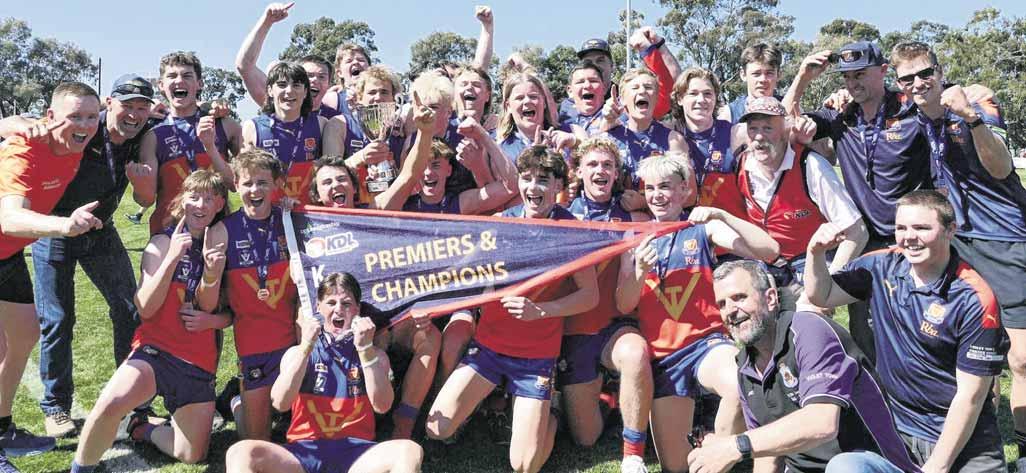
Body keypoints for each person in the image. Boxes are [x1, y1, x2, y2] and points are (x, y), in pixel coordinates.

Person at [890, 40, 1026, 472]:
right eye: (907, 78)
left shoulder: (976, 101)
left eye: (925, 73)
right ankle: (981, 438)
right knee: (969, 346)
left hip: (1004, 239)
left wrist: (970, 117)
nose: (918, 83)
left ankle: (1023, 451)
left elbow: (1002, 168)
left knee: (1021, 357)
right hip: (956, 239)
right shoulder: (911, 111)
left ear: (940, 70)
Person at [806, 190, 1008, 472]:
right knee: (844, 467)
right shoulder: (879, 267)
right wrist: (815, 253)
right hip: (897, 434)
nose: (909, 237)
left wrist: (937, 466)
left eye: (921, 228)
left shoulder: (974, 298)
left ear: (950, 230)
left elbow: (970, 397)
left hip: (965, 440)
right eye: (901, 228)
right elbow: (822, 295)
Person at [0, 75, 157, 437]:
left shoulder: (141, 134)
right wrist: (18, 125)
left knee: (129, 309)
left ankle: (133, 401)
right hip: (52, 229)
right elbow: (20, 127)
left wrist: (142, 181)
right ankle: (55, 406)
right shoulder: (77, 126)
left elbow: (145, 198)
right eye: (126, 105)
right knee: (57, 320)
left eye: (142, 107)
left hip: (99, 229)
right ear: (108, 104)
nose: (133, 114)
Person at [427, 146, 599, 473]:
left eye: (543, 180)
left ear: (558, 185)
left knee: (524, 465)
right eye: (527, 178)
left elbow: (589, 296)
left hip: (536, 356)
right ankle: (496, 404)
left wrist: (541, 310)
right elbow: (465, 272)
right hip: (489, 348)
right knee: (437, 429)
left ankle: (551, 415)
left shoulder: (572, 232)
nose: (533, 187)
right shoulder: (501, 224)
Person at [615, 153, 779, 473]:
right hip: (663, 359)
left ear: (684, 191)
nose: (658, 195)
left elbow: (770, 250)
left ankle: (720, 451)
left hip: (706, 345)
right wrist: (640, 270)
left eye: (666, 187)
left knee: (738, 384)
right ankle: (707, 445)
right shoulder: (634, 237)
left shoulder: (703, 228)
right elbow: (623, 304)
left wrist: (722, 214)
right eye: (651, 188)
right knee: (676, 467)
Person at [687, 260, 920, 473]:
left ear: (771, 298)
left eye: (739, 298)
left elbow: (822, 423)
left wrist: (736, 445)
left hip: (867, 465)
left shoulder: (809, 331)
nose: (730, 310)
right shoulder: (745, 367)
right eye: (722, 304)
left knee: (844, 466)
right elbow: (768, 456)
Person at [71, 170, 232, 472]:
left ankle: (141, 429)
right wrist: (172, 257)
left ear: (220, 204)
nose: (200, 205)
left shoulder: (224, 246)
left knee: (191, 454)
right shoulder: (161, 242)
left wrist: (211, 320)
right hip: (156, 351)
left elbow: (229, 313)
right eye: (194, 196)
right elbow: (144, 307)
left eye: (209, 198)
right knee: (109, 405)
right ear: (183, 200)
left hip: (198, 360)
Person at [783, 41, 927, 362]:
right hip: (866, 245)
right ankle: (877, 391)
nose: (852, 83)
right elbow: (784, 124)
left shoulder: (911, 111)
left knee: (919, 326)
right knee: (865, 331)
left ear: (883, 71)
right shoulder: (840, 114)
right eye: (847, 77)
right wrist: (803, 78)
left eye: (860, 74)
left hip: (911, 240)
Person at [224, 272, 424, 473]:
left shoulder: (375, 355)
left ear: (357, 309)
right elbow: (280, 402)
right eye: (331, 302)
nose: (338, 309)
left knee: (410, 450)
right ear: (318, 306)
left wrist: (365, 350)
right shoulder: (297, 352)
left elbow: (383, 405)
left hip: (356, 453)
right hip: (304, 452)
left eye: (346, 304)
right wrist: (306, 347)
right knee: (239, 452)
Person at [0, 82, 103, 469]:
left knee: (24, 337)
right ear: (50, 117)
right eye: (75, 116)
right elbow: (9, 218)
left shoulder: (79, 138)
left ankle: (2, 429)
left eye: (91, 116)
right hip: (5, 240)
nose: (85, 125)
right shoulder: (24, 149)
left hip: (7, 255)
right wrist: (64, 226)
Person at [561, 137, 651, 473]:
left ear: (616, 174)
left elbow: (672, 208)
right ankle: (610, 396)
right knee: (586, 438)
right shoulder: (561, 214)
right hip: (573, 329)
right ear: (579, 171)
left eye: (608, 165)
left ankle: (633, 454)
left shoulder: (632, 216)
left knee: (636, 353)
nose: (600, 171)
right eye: (593, 164)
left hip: (614, 325)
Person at [734, 96, 868, 309]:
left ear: (785, 132)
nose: (759, 137)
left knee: (804, 320)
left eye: (768, 128)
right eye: (753, 128)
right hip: (764, 269)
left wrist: (824, 286)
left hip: (807, 266)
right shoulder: (740, 165)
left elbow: (857, 231)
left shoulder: (811, 165)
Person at [219, 150, 299, 441]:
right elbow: (213, 301)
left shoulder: (292, 220)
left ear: (277, 184)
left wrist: (296, 210)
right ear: (236, 185)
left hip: (293, 344)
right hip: (253, 346)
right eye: (248, 183)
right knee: (257, 440)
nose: (255, 190)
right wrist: (212, 273)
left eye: (263, 183)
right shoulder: (222, 231)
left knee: (301, 432)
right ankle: (236, 401)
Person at [137, 51, 241, 236]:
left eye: (187, 76)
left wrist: (211, 147)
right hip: (168, 232)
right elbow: (145, 200)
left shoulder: (225, 125)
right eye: (172, 76)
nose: (179, 80)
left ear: (199, 83)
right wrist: (137, 181)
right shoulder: (153, 136)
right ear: (161, 85)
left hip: (217, 232)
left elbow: (236, 185)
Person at [236, 3, 346, 120]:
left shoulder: (336, 119)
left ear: (329, 84)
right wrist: (267, 21)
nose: (314, 80)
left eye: (322, 77)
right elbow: (244, 65)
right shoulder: (280, 103)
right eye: (309, 75)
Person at [242, 62, 327, 205]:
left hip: (311, 211)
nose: (289, 91)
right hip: (271, 211)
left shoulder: (321, 124)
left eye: (296, 85)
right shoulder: (252, 127)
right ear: (270, 90)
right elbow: (246, 178)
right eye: (282, 85)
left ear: (305, 92)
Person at [603, 69, 687, 199]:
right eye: (635, 88)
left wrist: (644, 202)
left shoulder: (674, 140)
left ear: (657, 98)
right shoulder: (608, 136)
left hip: (658, 211)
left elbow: (689, 194)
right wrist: (606, 121)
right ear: (622, 99)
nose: (642, 91)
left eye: (648, 87)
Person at [669, 68, 740, 210]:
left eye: (707, 94)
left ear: (715, 98)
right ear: (680, 99)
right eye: (693, 93)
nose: (701, 100)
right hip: (683, 220)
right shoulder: (669, 136)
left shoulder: (734, 133)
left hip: (727, 219)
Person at [725, 43, 783, 125]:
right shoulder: (730, 114)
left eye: (769, 73)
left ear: (779, 75)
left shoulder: (788, 107)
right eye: (756, 74)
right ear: (743, 74)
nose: (763, 80)